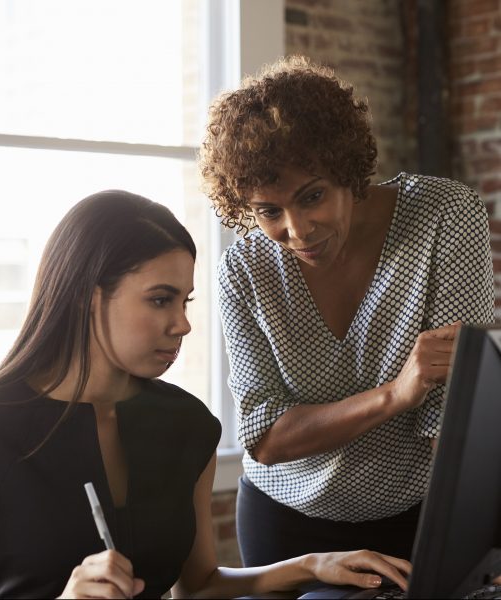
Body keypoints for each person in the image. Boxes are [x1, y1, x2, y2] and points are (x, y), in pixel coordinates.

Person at [0, 190, 412, 599]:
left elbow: (198, 585)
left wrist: (313, 565)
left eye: (184, 301)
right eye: (159, 300)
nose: (182, 324)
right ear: (86, 296)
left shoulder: (187, 425)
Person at [198, 55, 496, 568]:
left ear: (347, 168)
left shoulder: (444, 215)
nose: (299, 230)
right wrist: (396, 394)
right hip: (284, 524)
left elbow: (452, 415)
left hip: (418, 516)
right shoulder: (243, 270)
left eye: (311, 196)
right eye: (269, 211)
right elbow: (264, 435)